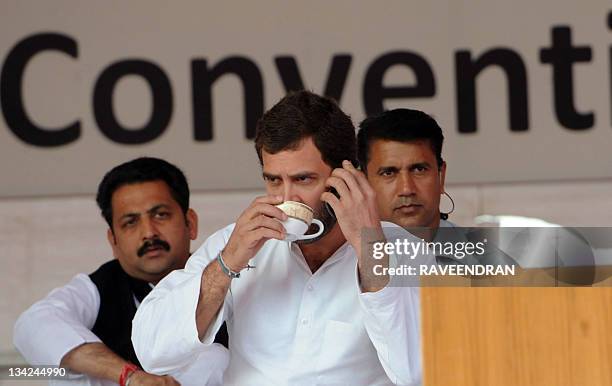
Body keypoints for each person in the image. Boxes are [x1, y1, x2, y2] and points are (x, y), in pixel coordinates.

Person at [132, 91, 422, 385]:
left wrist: (368, 248)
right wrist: (227, 264)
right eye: (273, 180)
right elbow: (153, 353)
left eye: (303, 179)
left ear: (348, 176)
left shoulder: (405, 249)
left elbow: (418, 373)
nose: (285, 198)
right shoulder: (236, 243)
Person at [13, 157, 229, 386]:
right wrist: (128, 375)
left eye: (161, 215)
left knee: (213, 360)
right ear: (113, 240)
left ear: (190, 223)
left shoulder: (227, 276)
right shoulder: (97, 289)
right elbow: (34, 325)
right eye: (130, 222)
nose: (148, 232)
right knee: (66, 373)